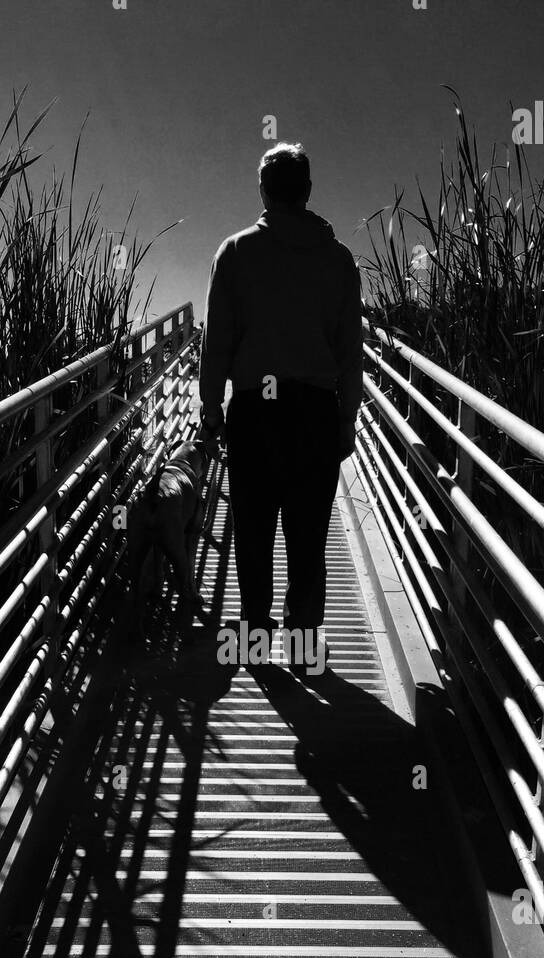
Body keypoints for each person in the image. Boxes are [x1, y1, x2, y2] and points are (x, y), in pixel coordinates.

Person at [198, 142, 363, 673]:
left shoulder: (236, 252)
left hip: (255, 412)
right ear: (309, 191)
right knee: (308, 534)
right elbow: (348, 353)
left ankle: (254, 637)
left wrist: (211, 407)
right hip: (314, 412)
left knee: (252, 530)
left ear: (264, 192)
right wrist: (346, 419)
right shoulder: (338, 261)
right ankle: (304, 646)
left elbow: (217, 342)